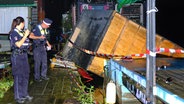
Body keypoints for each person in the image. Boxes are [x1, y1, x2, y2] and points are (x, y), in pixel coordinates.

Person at [9, 16, 33, 103]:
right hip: (17, 56)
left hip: (24, 55)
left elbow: (25, 43)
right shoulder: (13, 33)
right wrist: (25, 35)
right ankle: (18, 97)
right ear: (21, 23)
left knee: (26, 74)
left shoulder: (21, 32)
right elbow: (18, 44)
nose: (24, 25)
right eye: (24, 23)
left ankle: (24, 94)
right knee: (18, 76)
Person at [29, 18, 52, 82]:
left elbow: (45, 38)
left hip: (43, 47)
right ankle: (37, 77)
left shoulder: (45, 29)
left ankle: (43, 75)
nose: (48, 26)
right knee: (37, 63)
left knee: (44, 62)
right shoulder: (36, 28)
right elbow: (30, 36)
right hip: (37, 48)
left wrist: (48, 44)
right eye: (48, 25)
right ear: (44, 24)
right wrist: (39, 37)